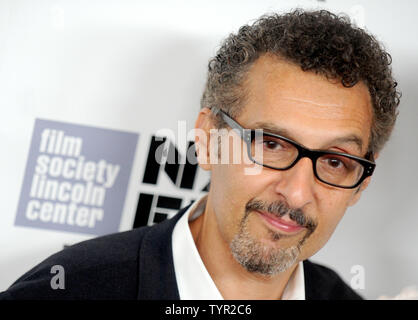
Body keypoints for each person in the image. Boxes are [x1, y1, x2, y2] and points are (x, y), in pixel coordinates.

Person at [0, 9, 400, 300]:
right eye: (271, 144)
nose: (297, 194)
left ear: (362, 182)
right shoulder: (67, 291)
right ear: (208, 140)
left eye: (335, 161)